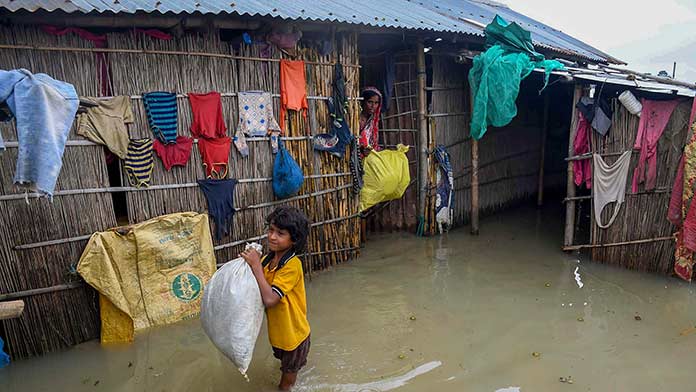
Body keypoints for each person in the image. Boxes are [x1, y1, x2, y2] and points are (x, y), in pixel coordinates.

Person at [241, 206, 311, 391]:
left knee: (285, 386)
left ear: (294, 239)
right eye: (271, 230)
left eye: (280, 233)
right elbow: (257, 284)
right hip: (279, 336)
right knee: (285, 366)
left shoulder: (292, 265)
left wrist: (255, 267)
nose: (272, 236)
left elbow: (271, 299)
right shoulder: (267, 261)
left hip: (294, 338)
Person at [358, 87, 382, 156]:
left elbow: (373, 143)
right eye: (370, 102)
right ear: (363, 102)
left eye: (376, 103)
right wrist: (361, 149)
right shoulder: (356, 119)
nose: (373, 106)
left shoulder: (373, 121)